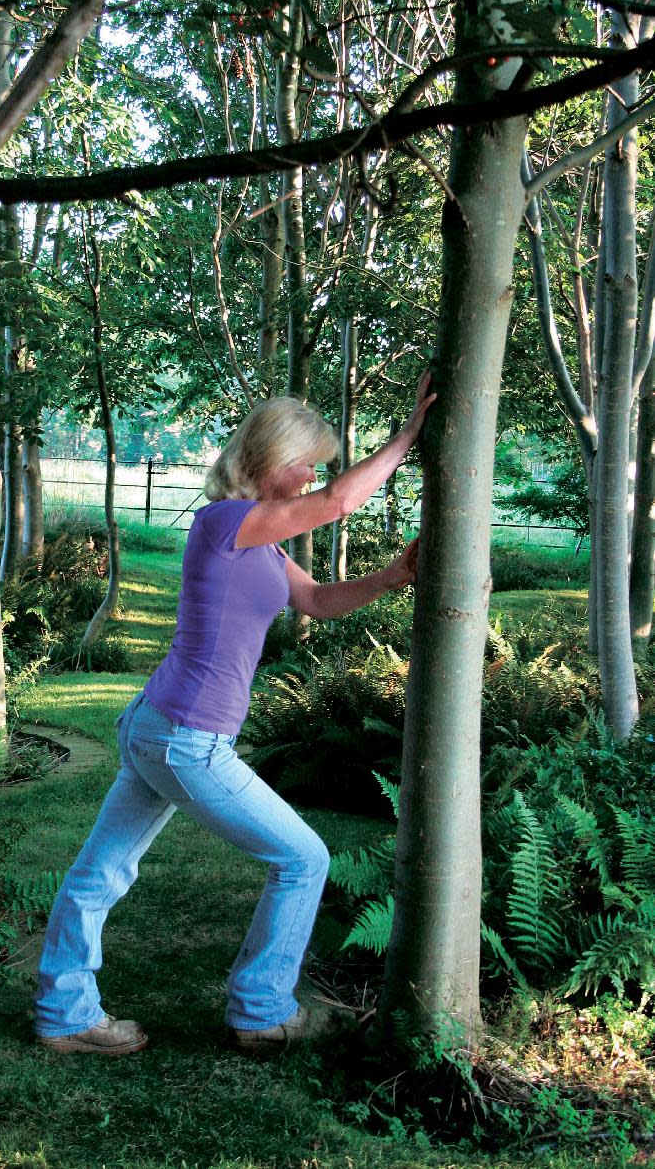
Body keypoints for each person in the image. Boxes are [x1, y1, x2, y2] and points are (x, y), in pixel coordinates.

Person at [35, 373, 436, 1055]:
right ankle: (260, 1009)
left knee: (101, 871)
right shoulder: (224, 523)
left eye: (318, 466)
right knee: (304, 857)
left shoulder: (266, 545)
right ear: (272, 458)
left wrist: (394, 575)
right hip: (186, 738)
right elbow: (339, 502)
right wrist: (407, 435)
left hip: (159, 726)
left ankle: (63, 1011)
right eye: (308, 461)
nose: (315, 474)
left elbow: (316, 601)